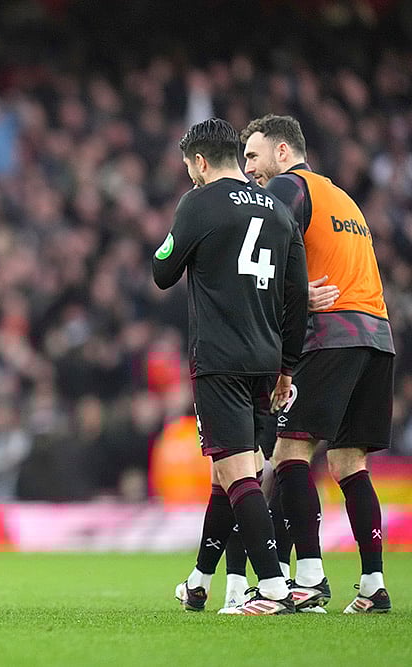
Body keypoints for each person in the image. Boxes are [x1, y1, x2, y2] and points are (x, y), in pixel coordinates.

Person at [153, 118, 308, 615]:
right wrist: (288, 366)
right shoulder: (279, 210)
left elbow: (162, 271)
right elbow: (297, 296)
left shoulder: (199, 202)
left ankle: (274, 588)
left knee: (238, 473)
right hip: (266, 360)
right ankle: (200, 581)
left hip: (220, 359)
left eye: (189, 167)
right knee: (232, 473)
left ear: (200, 162)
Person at [242, 114, 395, 614]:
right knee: (349, 462)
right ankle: (373, 584)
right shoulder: (343, 199)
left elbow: (262, 253)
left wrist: (293, 296)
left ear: (283, 152)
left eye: (253, 155)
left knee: (290, 452)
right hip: (377, 337)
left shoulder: (288, 188)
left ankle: (307, 578)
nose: (249, 169)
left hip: (331, 335)